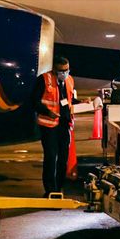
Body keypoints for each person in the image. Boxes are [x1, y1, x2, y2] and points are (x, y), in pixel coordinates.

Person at [30, 57, 76, 196]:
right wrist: (48, 112)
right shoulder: (44, 79)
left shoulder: (69, 80)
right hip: (49, 125)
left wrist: (81, 102)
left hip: (64, 124)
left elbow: (69, 99)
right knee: (51, 157)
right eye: (61, 71)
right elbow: (34, 101)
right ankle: (50, 190)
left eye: (67, 70)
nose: (64, 73)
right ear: (54, 70)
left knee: (63, 158)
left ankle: (58, 188)